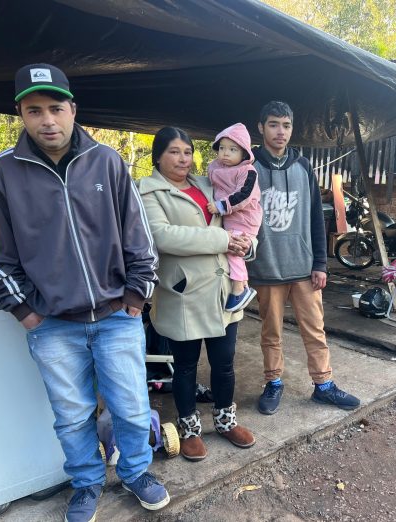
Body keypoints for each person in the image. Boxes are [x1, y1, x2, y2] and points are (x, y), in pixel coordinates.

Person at [0, 63, 169, 522]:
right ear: (21, 115)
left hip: (116, 316)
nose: (47, 120)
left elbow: (139, 238)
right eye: (34, 110)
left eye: (55, 108)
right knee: (71, 415)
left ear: (73, 110)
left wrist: (135, 298)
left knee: (131, 407)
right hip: (53, 325)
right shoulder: (3, 172)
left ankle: (136, 473)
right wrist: (26, 311)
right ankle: (86, 483)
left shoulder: (107, 161)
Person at [138, 127, 256, 462]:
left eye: (188, 152)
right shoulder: (149, 191)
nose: (183, 159)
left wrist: (247, 244)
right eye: (174, 152)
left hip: (222, 291)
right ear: (158, 156)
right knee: (186, 366)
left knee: (224, 363)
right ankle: (189, 428)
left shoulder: (208, 183)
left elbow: (240, 215)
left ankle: (225, 420)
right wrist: (223, 241)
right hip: (184, 293)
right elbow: (164, 236)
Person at [249, 101, 361, 415]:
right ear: (261, 128)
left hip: (302, 267)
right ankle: (273, 382)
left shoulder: (303, 167)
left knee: (315, 329)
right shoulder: (249, 169)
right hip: (266, 267)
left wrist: (320, 264)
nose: (280, 132)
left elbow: (315, 218)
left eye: (286, 125)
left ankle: (323, 385)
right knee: (271, 332)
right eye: (273, 124)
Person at [206, 123, 262, 312]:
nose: (225, 153)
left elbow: (243, 195)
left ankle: (239, 289)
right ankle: (243, 283)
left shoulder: (247, 171)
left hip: (245, 218)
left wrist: (220, 206)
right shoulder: (215, 168)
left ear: (244, 152)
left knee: (234, 248)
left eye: (232, 149)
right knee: (232, 247)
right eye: (222, 148)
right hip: (230, 219)